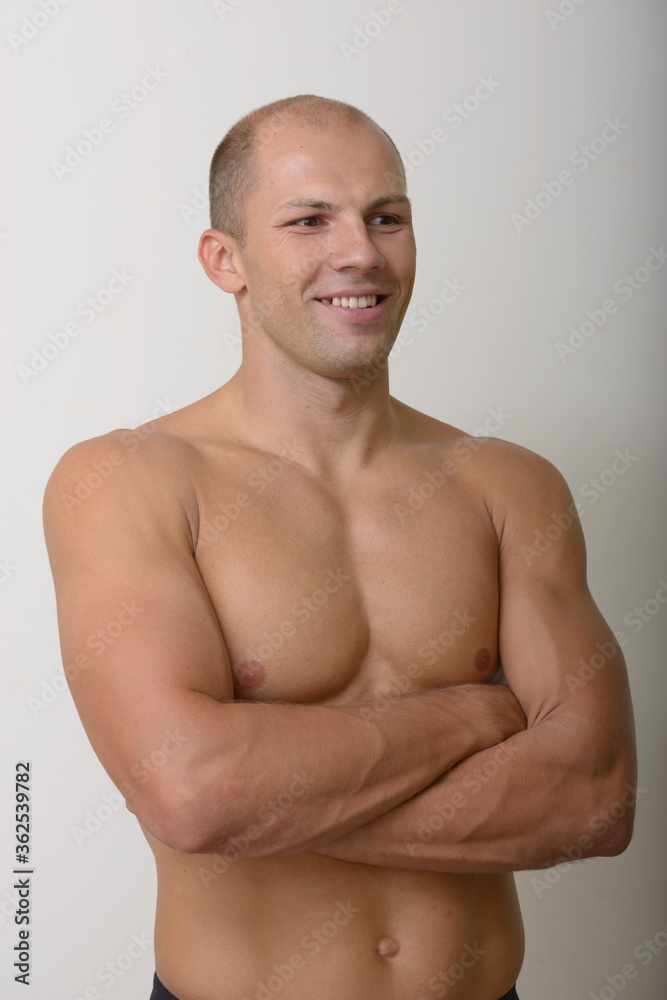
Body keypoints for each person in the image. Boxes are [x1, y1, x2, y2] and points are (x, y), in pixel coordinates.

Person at [43, 95, 637, 1000]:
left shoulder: (508, 486)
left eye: (385, 216)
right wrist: (469, 719)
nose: (359, 252)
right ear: (224, 260)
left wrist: (264, 802)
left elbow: (594, 798)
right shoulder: (128, 481)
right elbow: (194, 790)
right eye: (308, 220)